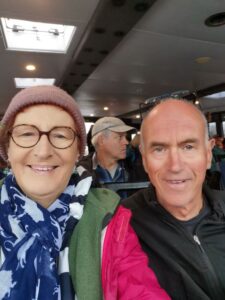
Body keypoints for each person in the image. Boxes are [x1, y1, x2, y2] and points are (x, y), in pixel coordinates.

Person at [0, 85, 170, 300]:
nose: (43, 151)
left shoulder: (108, 219)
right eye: (26, 134)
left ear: (77, 150)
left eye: (60, 136)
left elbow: (140, 288)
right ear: (7, 148)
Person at [123, 98, 225, 300]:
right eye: (159, 149)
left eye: (188, 147)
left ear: (207, 153)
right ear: (144, 158)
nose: (175, 165)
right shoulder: (122, 226)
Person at [78, 117, 148, 197]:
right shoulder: (79, 172)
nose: (126, 142)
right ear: (101, 140)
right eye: (120, 137)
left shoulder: (137, 168)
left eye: (125, 137)